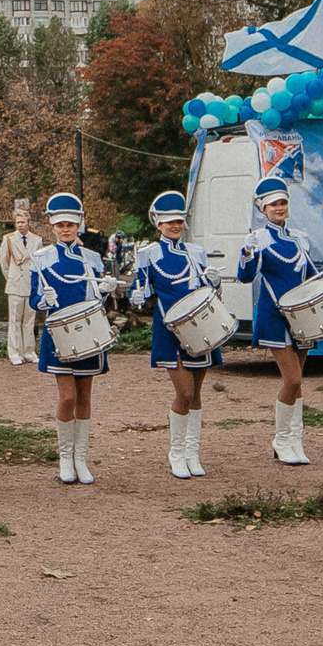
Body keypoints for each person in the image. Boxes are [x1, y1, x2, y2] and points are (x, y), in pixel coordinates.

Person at [128, 190, 218, 478]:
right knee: (184, 391)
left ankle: (193, 453)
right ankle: (176, 452)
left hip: (200, 327)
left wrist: (215, 283)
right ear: (158, 225)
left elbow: (206, 292)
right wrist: (138, 295)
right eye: (169, 222)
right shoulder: (148, 254)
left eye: (179, 221)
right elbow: (138, 290)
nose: (175, 226)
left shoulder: (196, 252)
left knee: (198, 393)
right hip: (169, 329)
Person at [30, 191, 117, 485]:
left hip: (89, 335)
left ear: (79, 224)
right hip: (58, 336)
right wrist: (43, 298)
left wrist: (105, 291)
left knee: (85, 397)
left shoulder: (92, 259)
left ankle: (82, 458)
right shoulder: (40, 258)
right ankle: (65, 458)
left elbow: (96, 303)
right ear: (52, 227)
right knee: (67, 397)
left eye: (71, 224)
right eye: (60, 225)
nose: (66, 229)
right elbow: (33, 299)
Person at [234, 176, 316, 465]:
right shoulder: (259, 239)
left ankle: (295, 441)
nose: (279, 208)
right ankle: (281, 441)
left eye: (282, 203)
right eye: (273, 205)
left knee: (298, 383)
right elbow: (245, 277)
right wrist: (246, 253)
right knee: (292, 379)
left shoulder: (300, 238)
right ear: (263, 209)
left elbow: (310, 277)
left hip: (302, 315)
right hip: (275, 316)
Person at [0, 198, 39, 366]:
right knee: (14, 321)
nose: (20, 225)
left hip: (30, 284)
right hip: (15, 284)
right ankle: (14, 353)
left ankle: (29, 351)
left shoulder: (37, 240)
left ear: (29, 223)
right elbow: (4, 263)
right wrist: (12, 279)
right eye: (18, 222)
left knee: (29, 321)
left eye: (23, 222)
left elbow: (38, 263)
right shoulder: (8, 239)